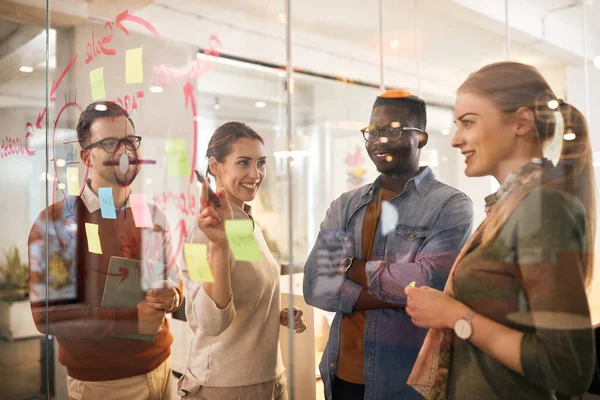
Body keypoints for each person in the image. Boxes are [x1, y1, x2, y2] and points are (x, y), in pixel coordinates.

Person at [405, 61, 596, 400]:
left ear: (521, 122)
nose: (455, 139)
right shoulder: (512, 206)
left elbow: (566, 366)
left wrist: (454, 316)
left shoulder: (541, 208)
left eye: (468, 122)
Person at [303, 90, 474, 400]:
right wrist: (399, 292)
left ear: (421, 138)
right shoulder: (345, 206)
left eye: (393, 130)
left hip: (406, 383)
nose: (378, 140)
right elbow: (314, 284)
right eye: (373, 131)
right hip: (340, 376)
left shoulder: (450, 205)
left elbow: (429, 282)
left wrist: (346, 266)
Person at [28, 101, 183, 400]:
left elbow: (171, 280)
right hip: (104, 385)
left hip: (163, 369)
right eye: (110, 143)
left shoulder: (150, 214)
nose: (124, 152)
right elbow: (49, 314)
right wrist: (130, 320)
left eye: (130, 141)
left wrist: (173, 294)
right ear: (87, 155)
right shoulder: (60, 222)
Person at [177, 122, 306, 400]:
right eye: (243, 163)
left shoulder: (243, 222)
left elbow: (249, 287)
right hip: (224, 387)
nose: (255, 174)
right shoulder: (200, 232)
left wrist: (274, 315)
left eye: (261, 163)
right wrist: (218, 246)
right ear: (215, 166)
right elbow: (209, 320)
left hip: (268, 379)